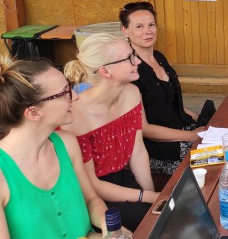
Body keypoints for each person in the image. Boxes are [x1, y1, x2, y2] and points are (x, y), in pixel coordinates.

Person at [0, 57, 108, 238]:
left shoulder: (67, 143)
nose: (75, 96)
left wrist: (108, 226)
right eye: (64, 92)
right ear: (34, 112)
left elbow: (91, 199)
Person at [63, 33, 160, 231]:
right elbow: (92, 186)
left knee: (162, 214)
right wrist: (148, 197)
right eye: (129, 58)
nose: (138, 61)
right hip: (95, 195)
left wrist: (153, 196)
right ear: (105, 71)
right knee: (151, 225)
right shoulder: (76, 116)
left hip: (123, 179)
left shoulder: (132, 93)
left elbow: (138, 151)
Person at [119, 1, 212, 175]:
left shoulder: (159, 57)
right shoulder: (130, 70)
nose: (148, 31)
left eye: (151, 25)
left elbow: (170, 102)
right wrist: (192, 136)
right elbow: (144, 128)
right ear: (125, 30)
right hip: (162, 150)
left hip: (183, 132)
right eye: (139, 26)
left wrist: (203, 120)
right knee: (212, 168)